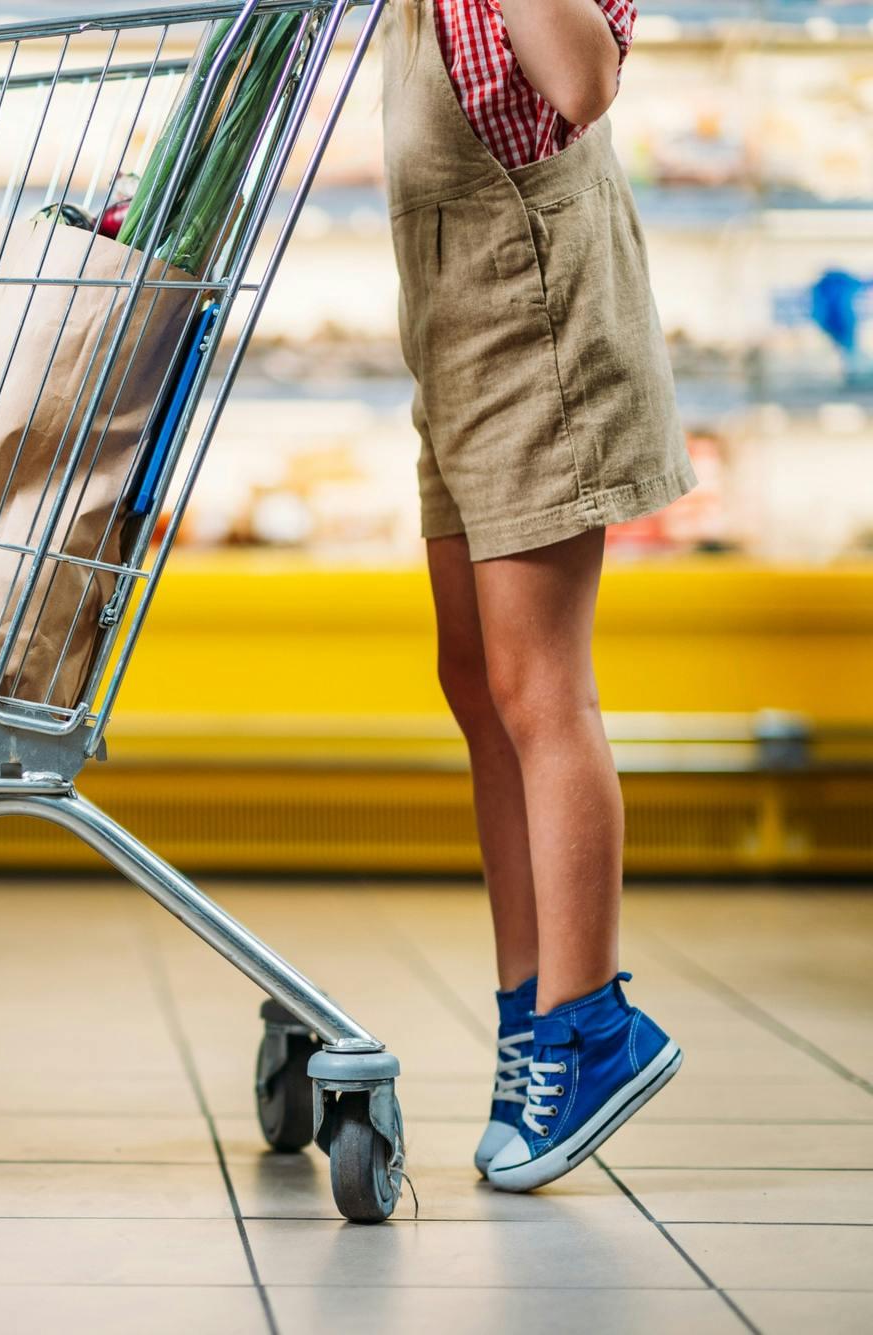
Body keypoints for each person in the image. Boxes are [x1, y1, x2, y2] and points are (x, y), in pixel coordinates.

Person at [383, 0, 688, 1190]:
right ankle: (530, 1011)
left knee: (538, 691)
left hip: (537, 335)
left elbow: (580, 80)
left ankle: (590, 1025)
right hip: (459, 338)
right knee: (475, 684)